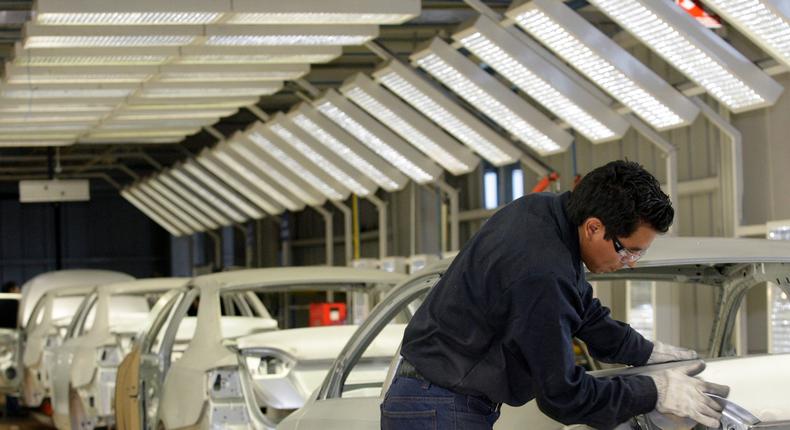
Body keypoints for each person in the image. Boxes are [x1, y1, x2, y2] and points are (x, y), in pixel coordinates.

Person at [382, 160, 729, 429]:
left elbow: (583, 310)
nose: (630, 264)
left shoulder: (545, 213)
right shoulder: (541, 272)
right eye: (628, 251)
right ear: (594, 227)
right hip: (439, 409)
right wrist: (654, 393)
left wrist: (645, 352)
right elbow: (563, 395)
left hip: (433, 399)